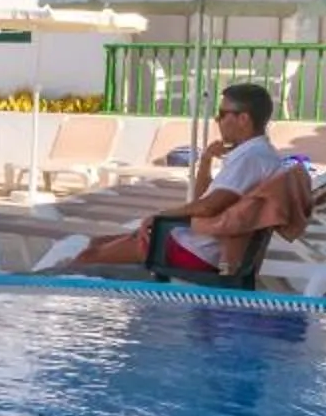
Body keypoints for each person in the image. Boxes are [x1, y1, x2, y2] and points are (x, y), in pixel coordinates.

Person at [68, 82, 285, 274]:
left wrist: (159, 216)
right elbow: (201, 200)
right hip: (198, 242)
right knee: (97, 242)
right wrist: (207, 159)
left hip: (193, 251)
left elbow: (207, 207)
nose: (217, 120)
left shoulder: (250, 160)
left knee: (87, 258)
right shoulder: (259, 155)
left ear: (243, 119)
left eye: (221, 114)